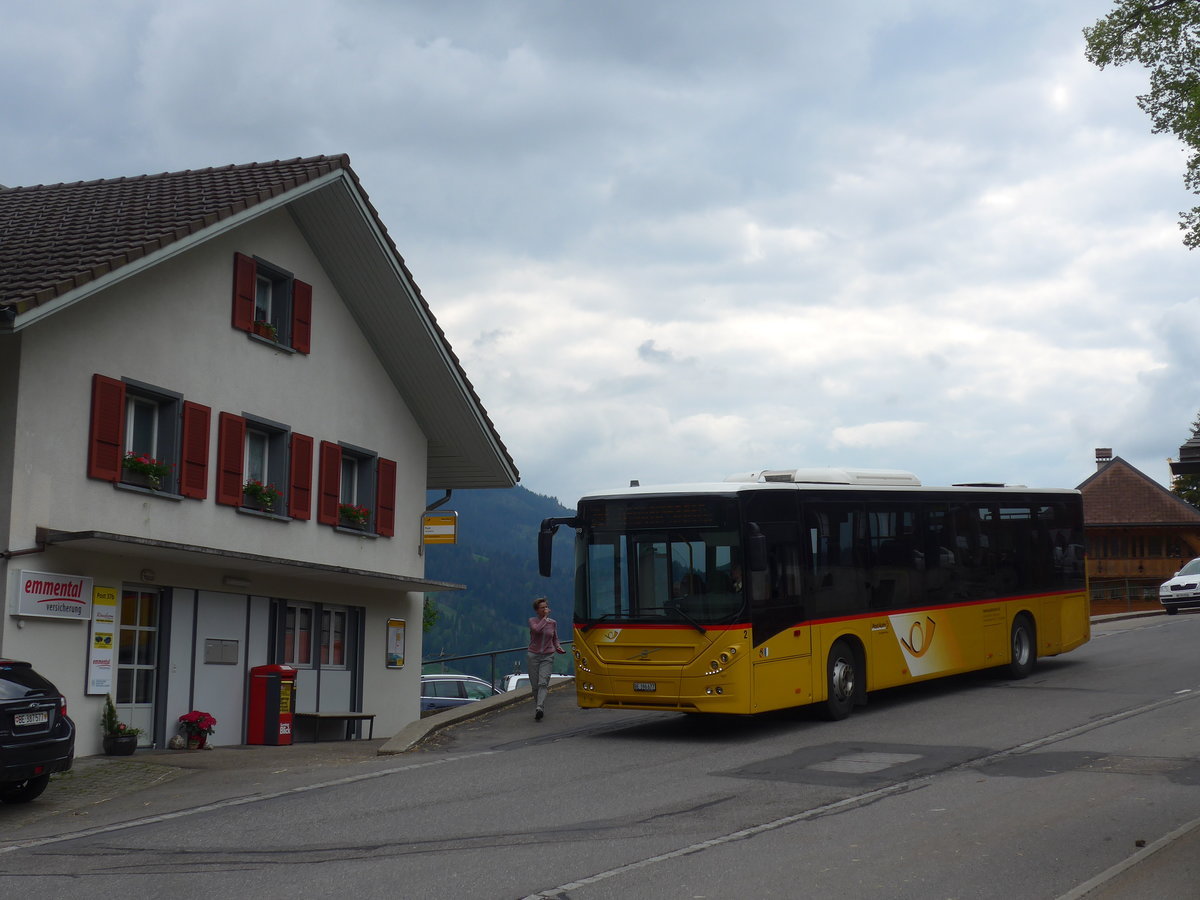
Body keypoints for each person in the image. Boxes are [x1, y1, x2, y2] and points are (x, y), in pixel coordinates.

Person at [527, 597, 565, 720]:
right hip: (533, 655)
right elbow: (537, 630)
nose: (545, 609)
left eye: (546, 607)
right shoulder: (532, 621)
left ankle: (539, 707)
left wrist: (558, 647)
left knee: (543, 682)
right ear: (537, 610)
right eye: (542, 608)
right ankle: (538, 705)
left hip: (547, 655)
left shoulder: (553, 623)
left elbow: (555, 638)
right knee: (535, 686)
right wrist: (544, 619)